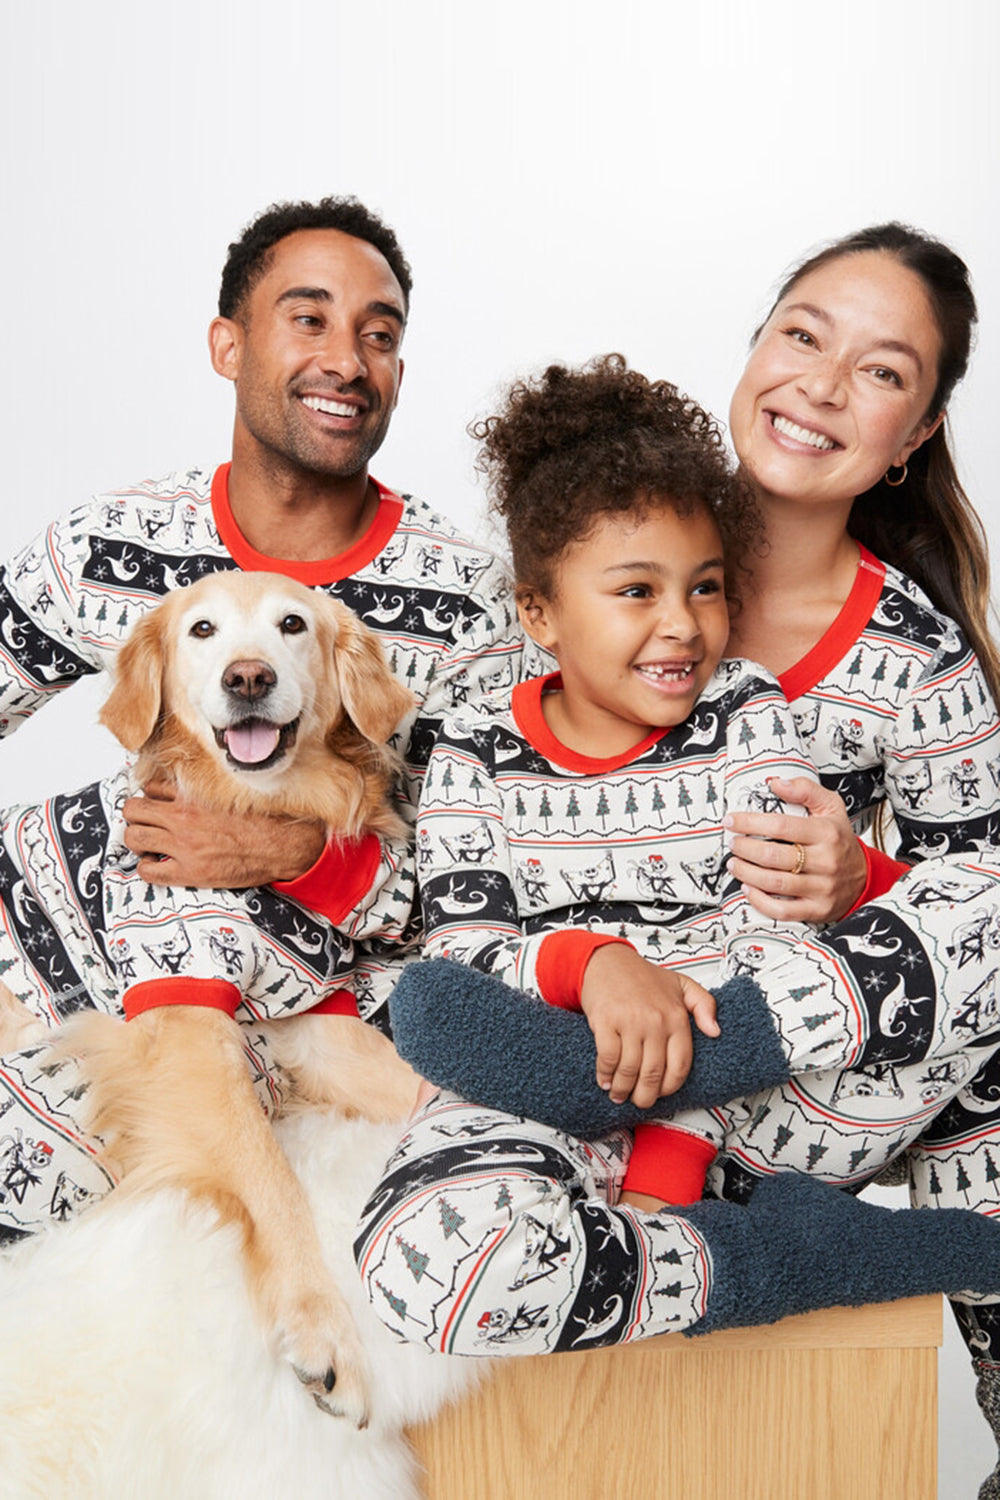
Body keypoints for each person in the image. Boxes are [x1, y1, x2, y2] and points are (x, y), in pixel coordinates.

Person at [354, 352, 1000, 1374]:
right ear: (539, 615)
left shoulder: (744, 707)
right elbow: (471, 950)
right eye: (634, 591)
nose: (680, 626)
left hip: (746, 1105)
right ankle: (794, 1256)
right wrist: (594, 966)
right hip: (541, 1084)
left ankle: (684, 1133)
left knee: (987, 907)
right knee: (423, 1269)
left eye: (704, 588)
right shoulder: (476, 742)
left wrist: (671, 1128)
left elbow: (772, 925)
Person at [0, 196, 522, 1038]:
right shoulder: (106, 547)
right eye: (309, 319)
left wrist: (297, 853)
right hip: (91, 1000)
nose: (347, 362)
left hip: (343, 1031)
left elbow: (506, 895)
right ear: (228, 346)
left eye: (379, 335)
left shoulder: (470, 602)